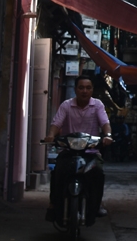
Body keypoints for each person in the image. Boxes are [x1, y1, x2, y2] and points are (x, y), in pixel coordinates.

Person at [45, 75, 113, 226]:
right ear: (75, 89)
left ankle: (96, 205)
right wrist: (51, 135)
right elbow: (56, 123)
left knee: (98, 174)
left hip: (91, 152)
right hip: (69, 151)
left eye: (88, 88)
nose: (84, 91)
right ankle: (53, 204)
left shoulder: (98, 105)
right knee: (57, 173)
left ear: (92, 90)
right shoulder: (66, 105)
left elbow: (105, 123)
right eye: (81, 88)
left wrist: (107, 136)